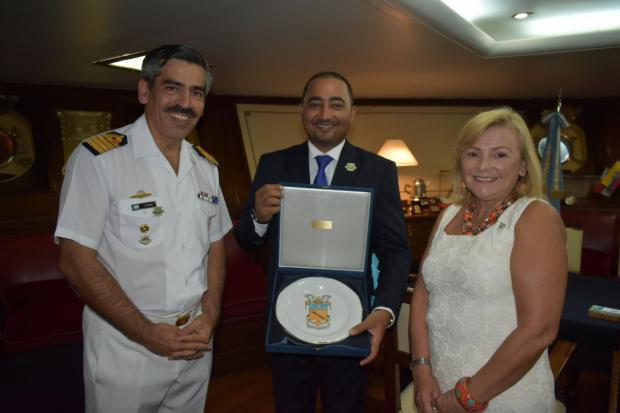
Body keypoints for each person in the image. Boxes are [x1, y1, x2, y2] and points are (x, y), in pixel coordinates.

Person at [55, 44, 232, 413]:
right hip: (127, 344)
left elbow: (215, 246)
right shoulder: (99, 159)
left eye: (197, 92)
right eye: (173, 88)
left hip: (195, 340)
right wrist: (146, 333)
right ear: (144, 91)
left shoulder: (206, 167)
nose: (185, 102)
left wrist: (211, 313)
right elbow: (75, 260)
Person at [234, 71, 411, 412]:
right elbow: (246, 243)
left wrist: (384, 310)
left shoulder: (379, 170)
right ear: (301, 110)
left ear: (352, 113)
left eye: (336, 104)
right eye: (315, 104)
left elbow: (395, 250)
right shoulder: (272, 164)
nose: (325, 114)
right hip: (286, 316)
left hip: (351, 316)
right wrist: (257, 216)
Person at [408, 107, 567, 413]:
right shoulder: (447, 216)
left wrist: (467, 397)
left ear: (522, 166)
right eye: (473, 153)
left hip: (502, 396)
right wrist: (421, 369)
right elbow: (423, 296)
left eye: (500, 155)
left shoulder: (535, 217)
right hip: (438, 388)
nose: (483, 166)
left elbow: (539, 330)